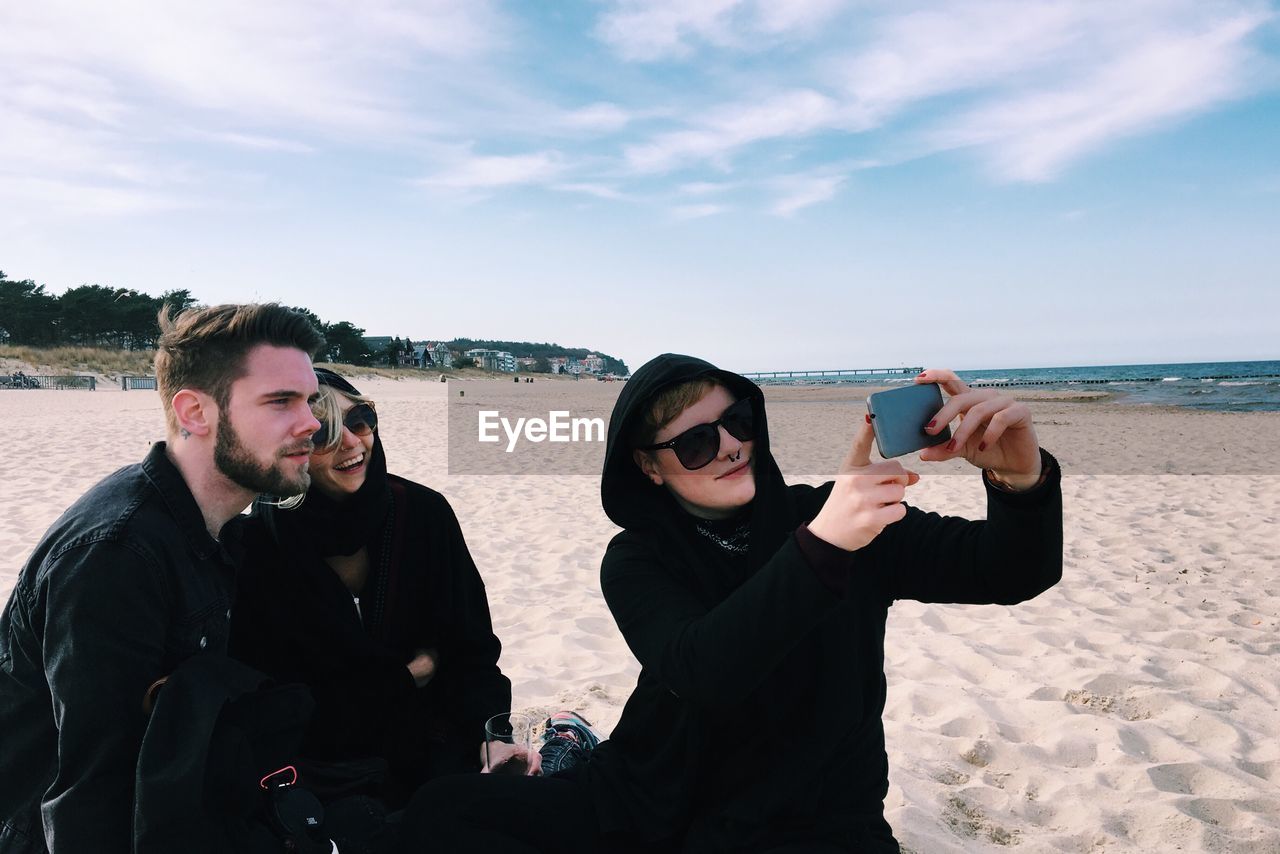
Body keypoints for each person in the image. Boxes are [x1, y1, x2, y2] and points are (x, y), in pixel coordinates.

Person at [397, 353, 1062, 853]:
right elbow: (702, 668)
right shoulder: (639, 558)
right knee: (442, 811)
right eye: (695, 441)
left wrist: (1019, 478)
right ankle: (572, 752)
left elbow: (1009, 570)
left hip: (817, 823)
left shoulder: (843, 515)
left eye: (737, 420)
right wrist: (826, 544)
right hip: (654, 797)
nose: (731, 445)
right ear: (650, 468)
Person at [0, 304, 325, 854]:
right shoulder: (117, 554)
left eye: (310, 401)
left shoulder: (208, 523)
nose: (312, 422)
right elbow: (88, 793)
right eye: (280, 402)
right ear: (195, 412)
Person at [230, 369, 566, 851]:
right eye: (324, 431)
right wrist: (408, 675)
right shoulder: (259, 544)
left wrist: (490, 733)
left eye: (361, 420)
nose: (352, 443)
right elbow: (287, 702)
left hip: (434, 741)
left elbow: (471, 650)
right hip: (320, 770)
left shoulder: (423, 515)